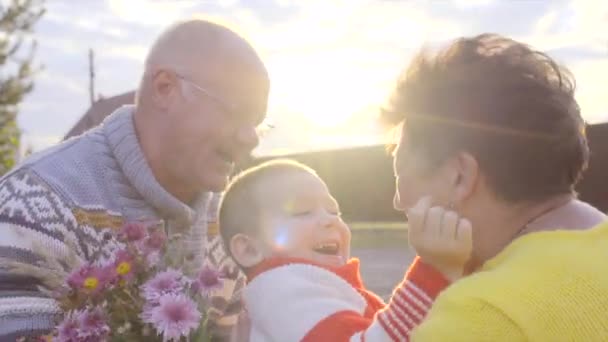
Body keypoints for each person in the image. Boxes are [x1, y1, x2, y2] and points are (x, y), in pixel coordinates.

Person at [0, 19, 269, 340]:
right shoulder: (36, 202)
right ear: (165, 88)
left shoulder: (226, 223)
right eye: (237, 112)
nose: (252, 139)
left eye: (258, 123)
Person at [382, 33, 608, 340]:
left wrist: (437, 281)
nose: (398, 201)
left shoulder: (479, 316)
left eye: (400, 175)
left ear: (459, 177)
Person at [219, 159, 472, 341]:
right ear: (249, 249)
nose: (330, 220)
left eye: (334, 211)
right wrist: (432, 273)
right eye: (302, 212)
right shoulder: (280, 289)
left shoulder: (307, 287)